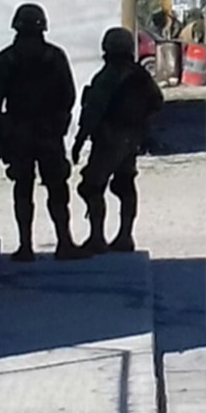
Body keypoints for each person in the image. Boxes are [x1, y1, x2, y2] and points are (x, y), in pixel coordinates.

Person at [0, 3, 88, 262]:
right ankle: (64, 242)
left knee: (23, 189)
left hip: (20, 131)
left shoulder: (6, 58)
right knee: (57, 189)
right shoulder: (54, 56)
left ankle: (25, 246)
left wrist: (3, 128)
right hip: (48, 133)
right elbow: (68, 95)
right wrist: (58, 122)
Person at [72, 27, 164, 254]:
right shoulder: (140, 75)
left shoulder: (108, 76)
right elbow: (157, 102)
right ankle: (125, 236)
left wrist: (79, 141)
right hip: (131, 140)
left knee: (92, 186)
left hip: (109, 139)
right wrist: (141, 128)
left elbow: (93, 111)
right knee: (125, 184)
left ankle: (97, 238)